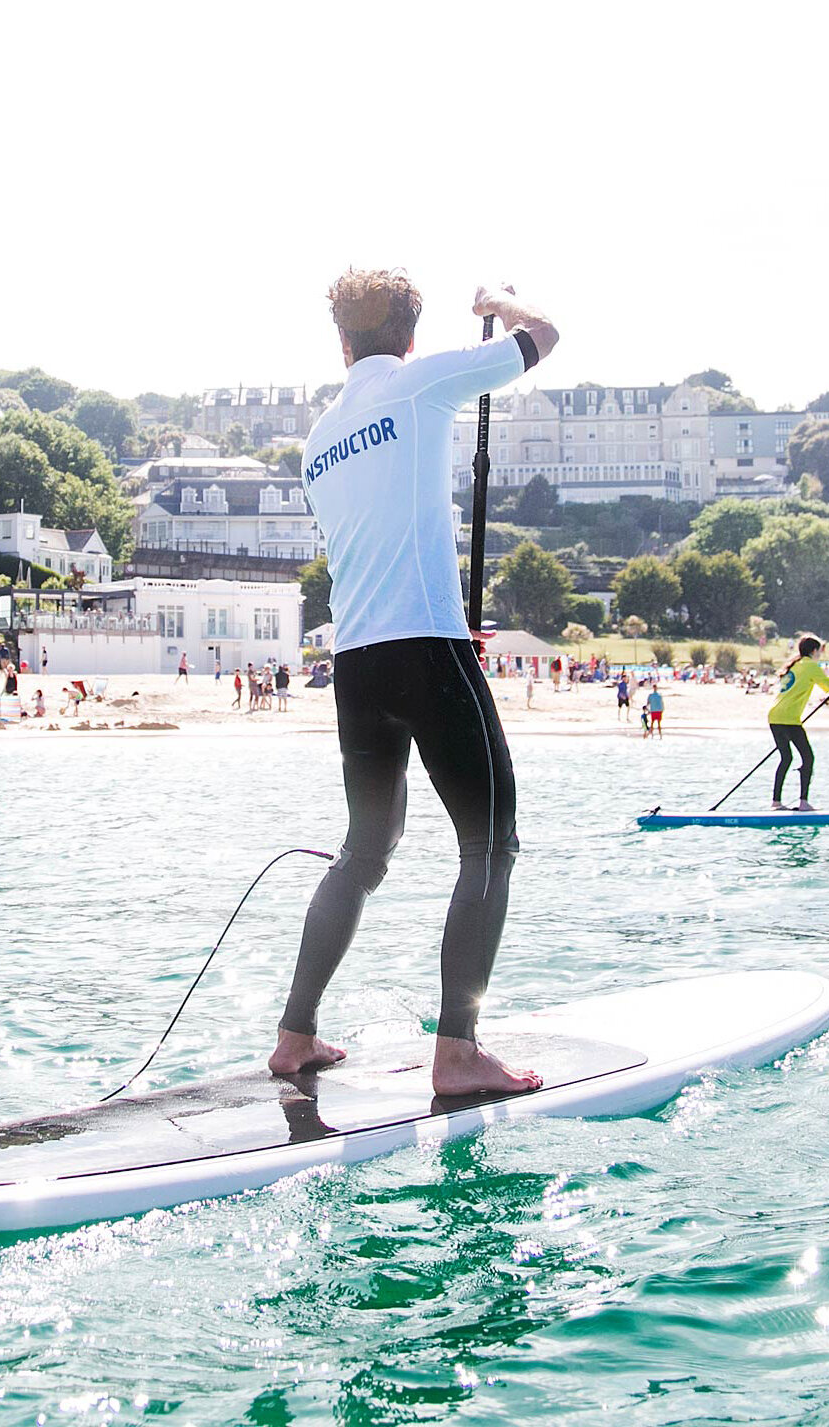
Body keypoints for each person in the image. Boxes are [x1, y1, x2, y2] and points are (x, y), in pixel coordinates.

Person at [270, 271, 558, 1099]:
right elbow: (545, 339)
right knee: (490, 844)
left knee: (364, 851)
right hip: (428, 649)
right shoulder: (422, 382)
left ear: (341, 340)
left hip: (358, 663)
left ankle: (296, 1035)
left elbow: (378, 531)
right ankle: (459, 1052)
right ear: (409, 334)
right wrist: (505, 307)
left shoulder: (319, 436)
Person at [769, 634, 829, 811]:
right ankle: (803, 802)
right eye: (819, 651)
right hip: (789, 719)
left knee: (786, 758)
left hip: (774, 717)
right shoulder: (810, 666)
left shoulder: (794, 665)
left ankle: (776, 802)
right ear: (814, 651)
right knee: (808, 758)